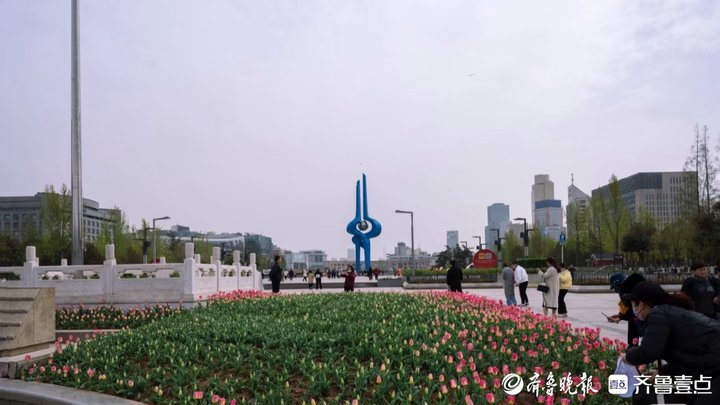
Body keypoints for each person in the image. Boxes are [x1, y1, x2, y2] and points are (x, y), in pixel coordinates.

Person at [622, 281, 720, 405]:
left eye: (634, 304)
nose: (634, 309)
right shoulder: (670, 313)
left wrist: (627, 357)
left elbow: (649, 351)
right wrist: (663, 371)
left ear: (641, 304)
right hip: (711, 369)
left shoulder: (658, 315)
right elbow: (689, 355)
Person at [607, 273, 647, 347]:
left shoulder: (626, 293)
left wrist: (620, 317)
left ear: (619, 285)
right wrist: (620, 316)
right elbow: (629, 310)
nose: (615, 291)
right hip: (642, 315)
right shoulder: (627, 292)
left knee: (638, 327)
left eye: (615, 288)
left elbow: (632, 313)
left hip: (647, 315)